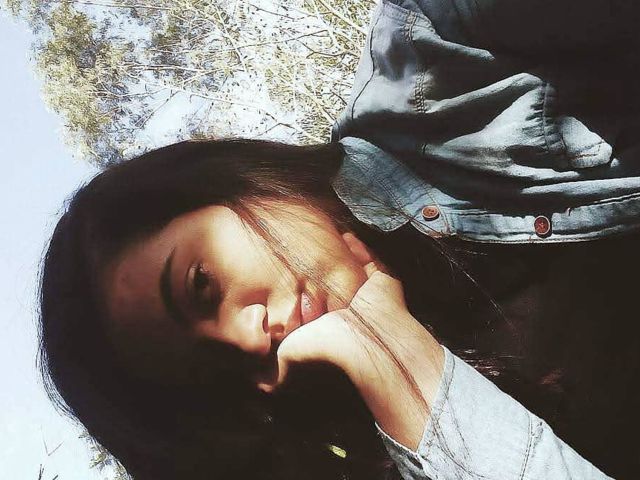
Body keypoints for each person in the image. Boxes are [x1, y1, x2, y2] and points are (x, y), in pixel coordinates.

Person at [38, 0, 640, 479]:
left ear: (229, 182)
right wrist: (397, 364)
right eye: (215, 371)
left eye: (202, 286)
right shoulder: (407, 450)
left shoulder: (446, 48)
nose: (249, 340)